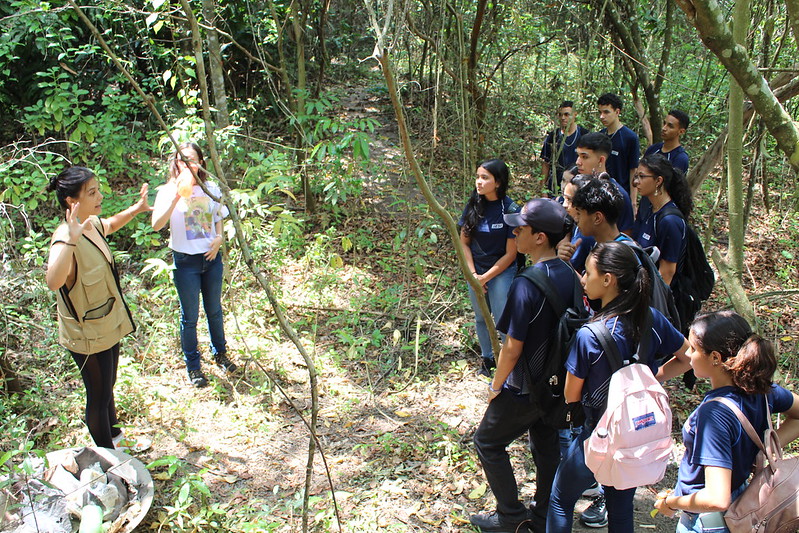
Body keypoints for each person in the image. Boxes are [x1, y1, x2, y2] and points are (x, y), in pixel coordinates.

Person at [547, 242, 689, 533]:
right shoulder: (651, 319)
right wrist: (650, 378)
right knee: (621, 511)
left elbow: (571, 395)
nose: (583, 280)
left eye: (588, 273)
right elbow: (688, 358)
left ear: (608, 279)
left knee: (560, 499)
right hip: (633, 435)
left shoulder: (590, 335)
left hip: (597, 435)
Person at [470, 199, 578, 533]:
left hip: (525, 386)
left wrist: (496, 386)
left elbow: (512, 347)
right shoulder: (571, 274)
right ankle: (545, 516)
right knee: (546, 446)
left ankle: (511, 517)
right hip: (558, 383)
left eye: (520, 229)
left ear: (540, 237)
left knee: (487, 442)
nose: (514, 233)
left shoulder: (526, 283)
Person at [653, 311, 799, 532]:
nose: (688, 355)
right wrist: (762, 449)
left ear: (715, 358)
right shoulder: (763, 390)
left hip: (708, 522)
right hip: (742, 501)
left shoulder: (714, 415)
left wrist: (672, 503)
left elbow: (716, 498)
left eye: (694, 349)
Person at [46, 166, 152, 449]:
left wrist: (137, 208)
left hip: (105, 321)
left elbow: (110, 225)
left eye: (98, 190)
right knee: (99, 395)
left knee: (109, 385)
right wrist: (71, 239)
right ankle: (108, 458)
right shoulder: (64, 237)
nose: (100, 197)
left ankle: (115, 439)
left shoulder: (90, 223)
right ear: (72, 201)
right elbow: (53, 281)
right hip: (85, 333)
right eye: (92, 193)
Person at [152, 142, 238, 388]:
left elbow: (218, 217)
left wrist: (219, 238)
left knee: (214, 310)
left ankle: (220, 354)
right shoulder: (167, 191)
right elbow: (156, 225)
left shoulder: (211, 188)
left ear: (201, 162)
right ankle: (194, 366)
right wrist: (176, 195)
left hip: (211, 259)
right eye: (182, 159)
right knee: (189, 317)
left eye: (192, 159)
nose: (187, 164)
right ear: (175, 163)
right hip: (185, 262)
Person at [459, 159, 521, 377]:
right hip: (476, 270)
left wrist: (485, 278)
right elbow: (463, 243)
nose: (479, 182)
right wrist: (474, 275)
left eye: (485, 178)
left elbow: (511, 253)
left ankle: (510, 362)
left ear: (498, 182)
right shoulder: (473, 206)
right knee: (481, 317)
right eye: (477, 177)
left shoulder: (510, 210)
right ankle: (488, 359)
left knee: (502, 318)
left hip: (501, 271)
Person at [632, 153, 692, 286]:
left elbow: (667, 273)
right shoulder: (649, 209)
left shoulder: (670, 221)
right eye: (636, 176)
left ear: (658, 181)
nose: (636, 182)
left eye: (642, 176)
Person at [573, 132, 634, 235]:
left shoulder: (617, 193)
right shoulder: (576, 186)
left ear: (601, 160)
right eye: (578, 156)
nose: (578, 162)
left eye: (584, 157)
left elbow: (625, 234)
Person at [540, 100, 589, 197]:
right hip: (555, 186)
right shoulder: (553, 137)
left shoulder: (584, 135)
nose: (563, 118)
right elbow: (546, 164)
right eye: (560, 115)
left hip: (577, 186)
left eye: (567, 114)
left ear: (575, 115)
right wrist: (543, 189)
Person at [597, 93, 640, 201]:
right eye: (600, 112)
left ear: (617, 112)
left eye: (606, 112)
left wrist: (633, 201)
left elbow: (633, 170)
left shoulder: (629, 137)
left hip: (621, 194)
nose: (602, 116)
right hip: (601, 193)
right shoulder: (600, 136)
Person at [644, 110, 690, 174]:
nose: (664, 128)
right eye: (664, 123)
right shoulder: (654, 148)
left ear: (681, 131)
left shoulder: (680, 158)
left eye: (670, 126)